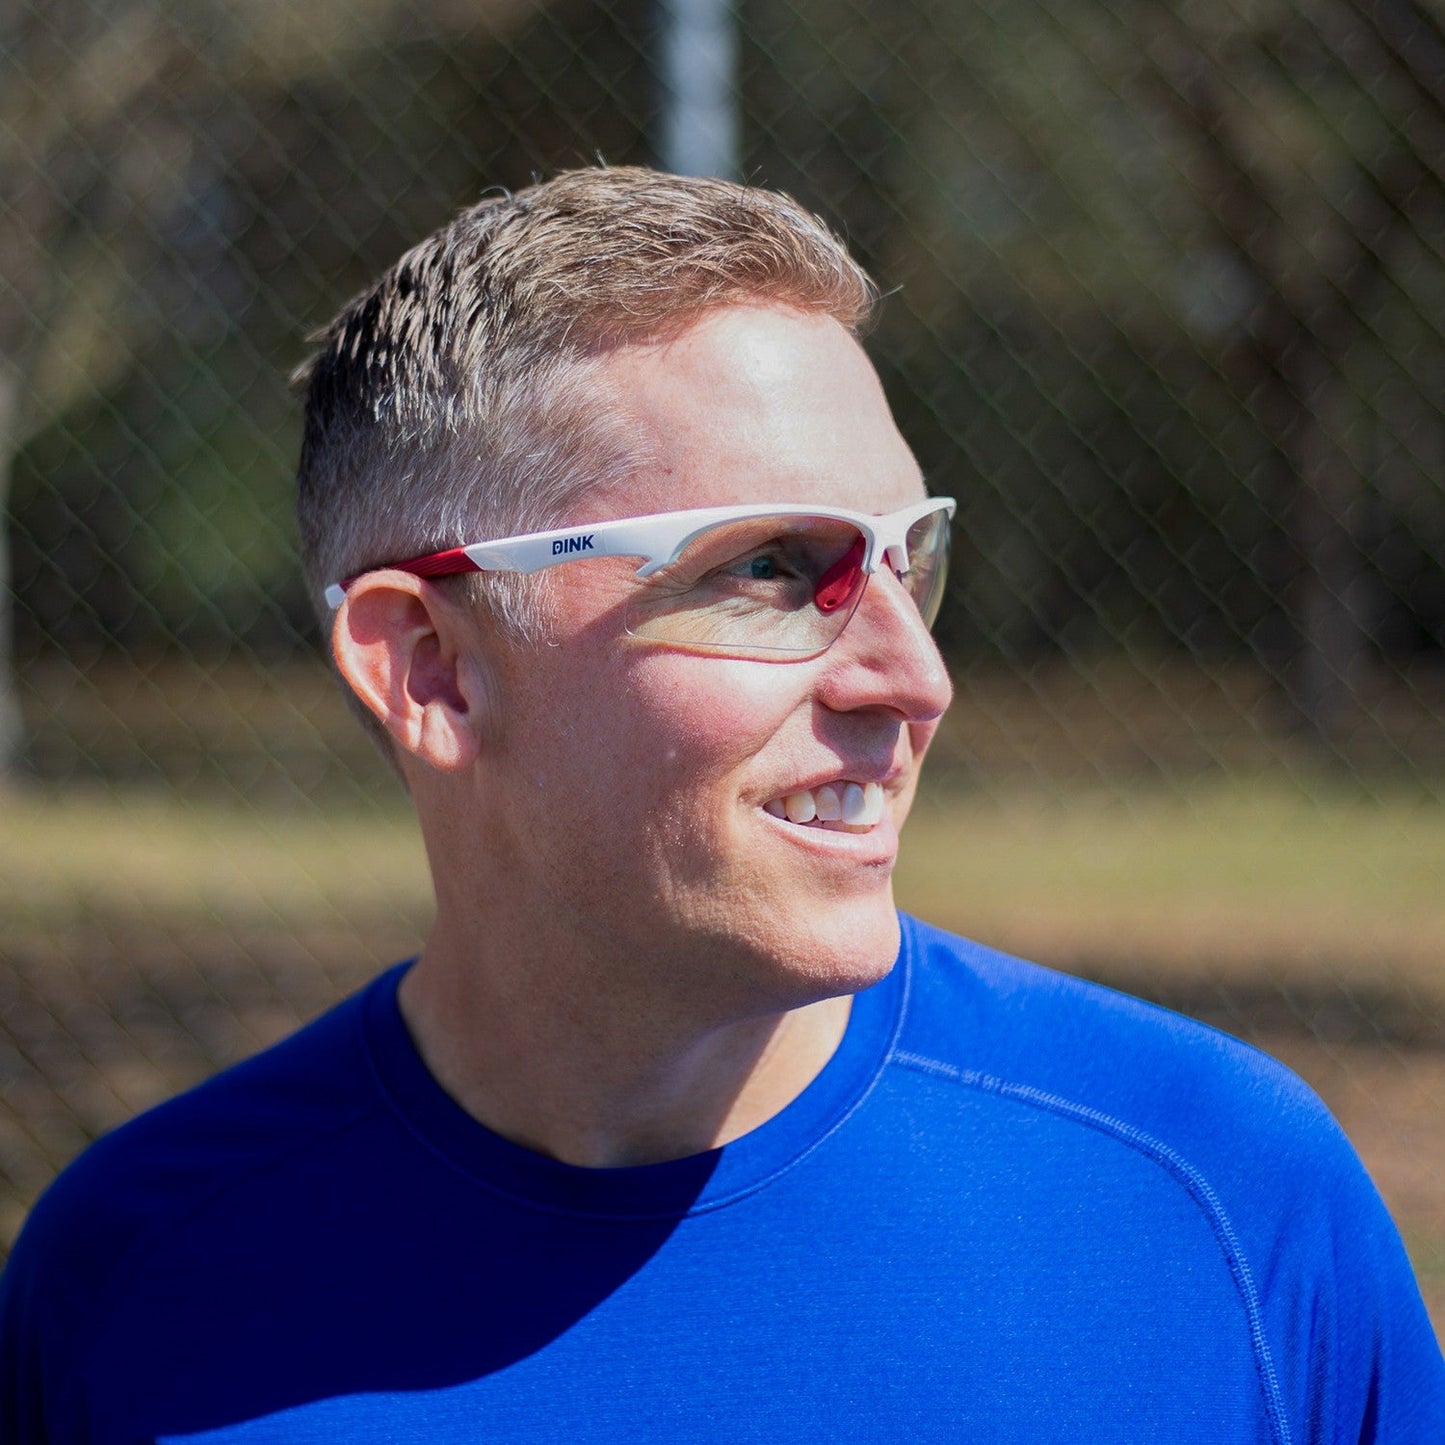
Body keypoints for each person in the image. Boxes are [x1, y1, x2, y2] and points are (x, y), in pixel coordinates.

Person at [1, 166, 1441, 1443]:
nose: (912, 676)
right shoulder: (136, 1288)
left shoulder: (1218, 1207)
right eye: (766, 569)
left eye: (903, 558)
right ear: (432, 666)